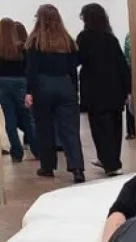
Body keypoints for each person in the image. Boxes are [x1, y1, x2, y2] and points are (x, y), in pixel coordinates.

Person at [25, 4, 85, 182]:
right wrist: (75, 91)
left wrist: (29, 91)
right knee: (71, 129)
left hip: (42, 85)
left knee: (44, 128)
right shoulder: (68, 41)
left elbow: (31, 70)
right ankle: (77, 168)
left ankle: (47, 166)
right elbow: (73, 70)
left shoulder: (34, 41)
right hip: (65, 84)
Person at [77, 3, 131, 176]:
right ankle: (113, 160)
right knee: (115, 127)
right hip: (115, 90)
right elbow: (122, 66)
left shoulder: (84, 38)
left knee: (100, 129)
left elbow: (78, 59)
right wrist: (127, 89)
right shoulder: (110, 39)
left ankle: (110, 163)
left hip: (94, 91)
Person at [0, 17, 39, 163]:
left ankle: (16, 152)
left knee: (9, 118)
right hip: (21, 82)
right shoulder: (22, 47)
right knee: (27, 117)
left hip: (3, 83)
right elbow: (29, 67)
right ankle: (37, 149)